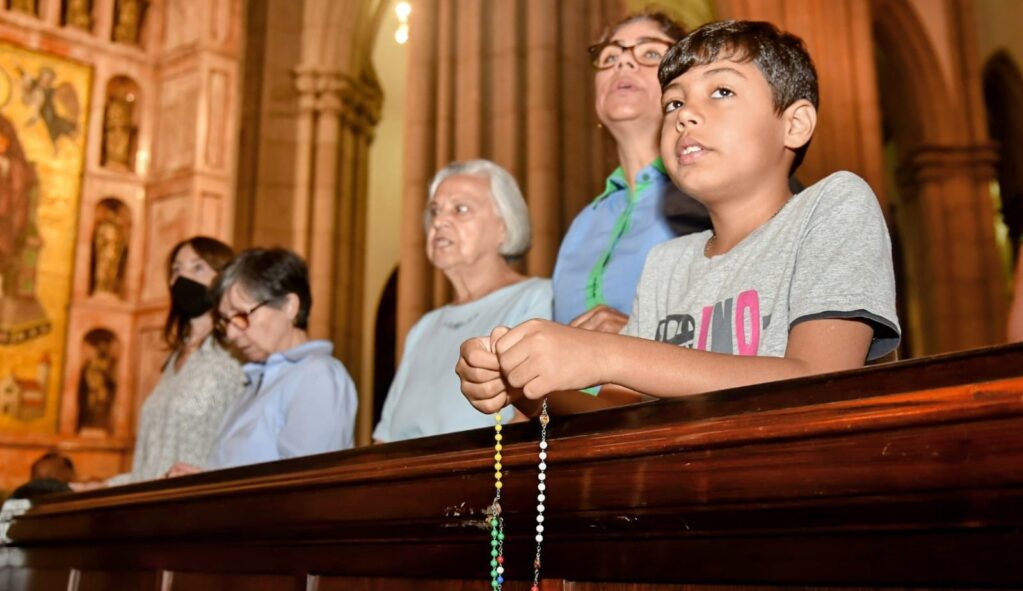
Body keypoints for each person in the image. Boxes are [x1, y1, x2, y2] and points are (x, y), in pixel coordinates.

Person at [456, 20, 901, 414]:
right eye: (672, 104)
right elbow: (616, 415)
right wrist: (525, 387)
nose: (685, 114)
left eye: (722, 91)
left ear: (795, 123)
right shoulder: (666, 263)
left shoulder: (832, 205)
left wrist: (605, 353)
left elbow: (819, 383)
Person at [552, 10, 709, 335]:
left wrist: (639, 336)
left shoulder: (711, 192)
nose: (623, 63)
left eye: (649, 53)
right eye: (610, 57)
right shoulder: (582, 225)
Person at [373, 160, 551, 442]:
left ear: (503, 227)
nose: (439, 221)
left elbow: (530, 416)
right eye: (435, 211)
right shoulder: (423, 327)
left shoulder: (537, 298)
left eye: (461, 209)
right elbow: (386, 437)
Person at [182, 248, 357, 471]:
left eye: (241, 316)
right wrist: (201, 480)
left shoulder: (317, 376)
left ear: (289, 306)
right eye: (226, 321)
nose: (232, 334)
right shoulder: (254, 384)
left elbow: (307, 482)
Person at [100, 237, 244, 486]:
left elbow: (242, 451)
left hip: (197, 501)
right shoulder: (174, 361)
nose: (183, 277)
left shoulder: (234, 359)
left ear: (224, 279)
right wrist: (99, 486)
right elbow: (149, 468)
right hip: (152, 500)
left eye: (197, 267)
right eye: (177, 270)